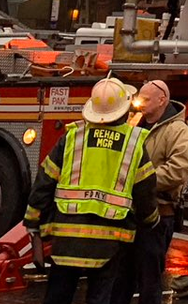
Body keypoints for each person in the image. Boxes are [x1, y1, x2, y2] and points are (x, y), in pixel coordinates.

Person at [27, 78, 158, 304]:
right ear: (124, 110)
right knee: (100, 297)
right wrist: (151, 221)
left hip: (66, 241)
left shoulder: (71, 137)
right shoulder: (133, 143)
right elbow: (145, 192)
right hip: (108, 243)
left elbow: (44, 182)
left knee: (58, 295)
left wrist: (33, 221)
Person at [116, 80, 188, 304]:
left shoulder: (178, 131)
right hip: (129, 213)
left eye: (146, 99)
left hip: (159, 215)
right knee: (123, 276)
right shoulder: (134, 125)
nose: (139, 103)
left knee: (149, 279)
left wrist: (140, 181)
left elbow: (178, 170)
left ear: (162, 100)